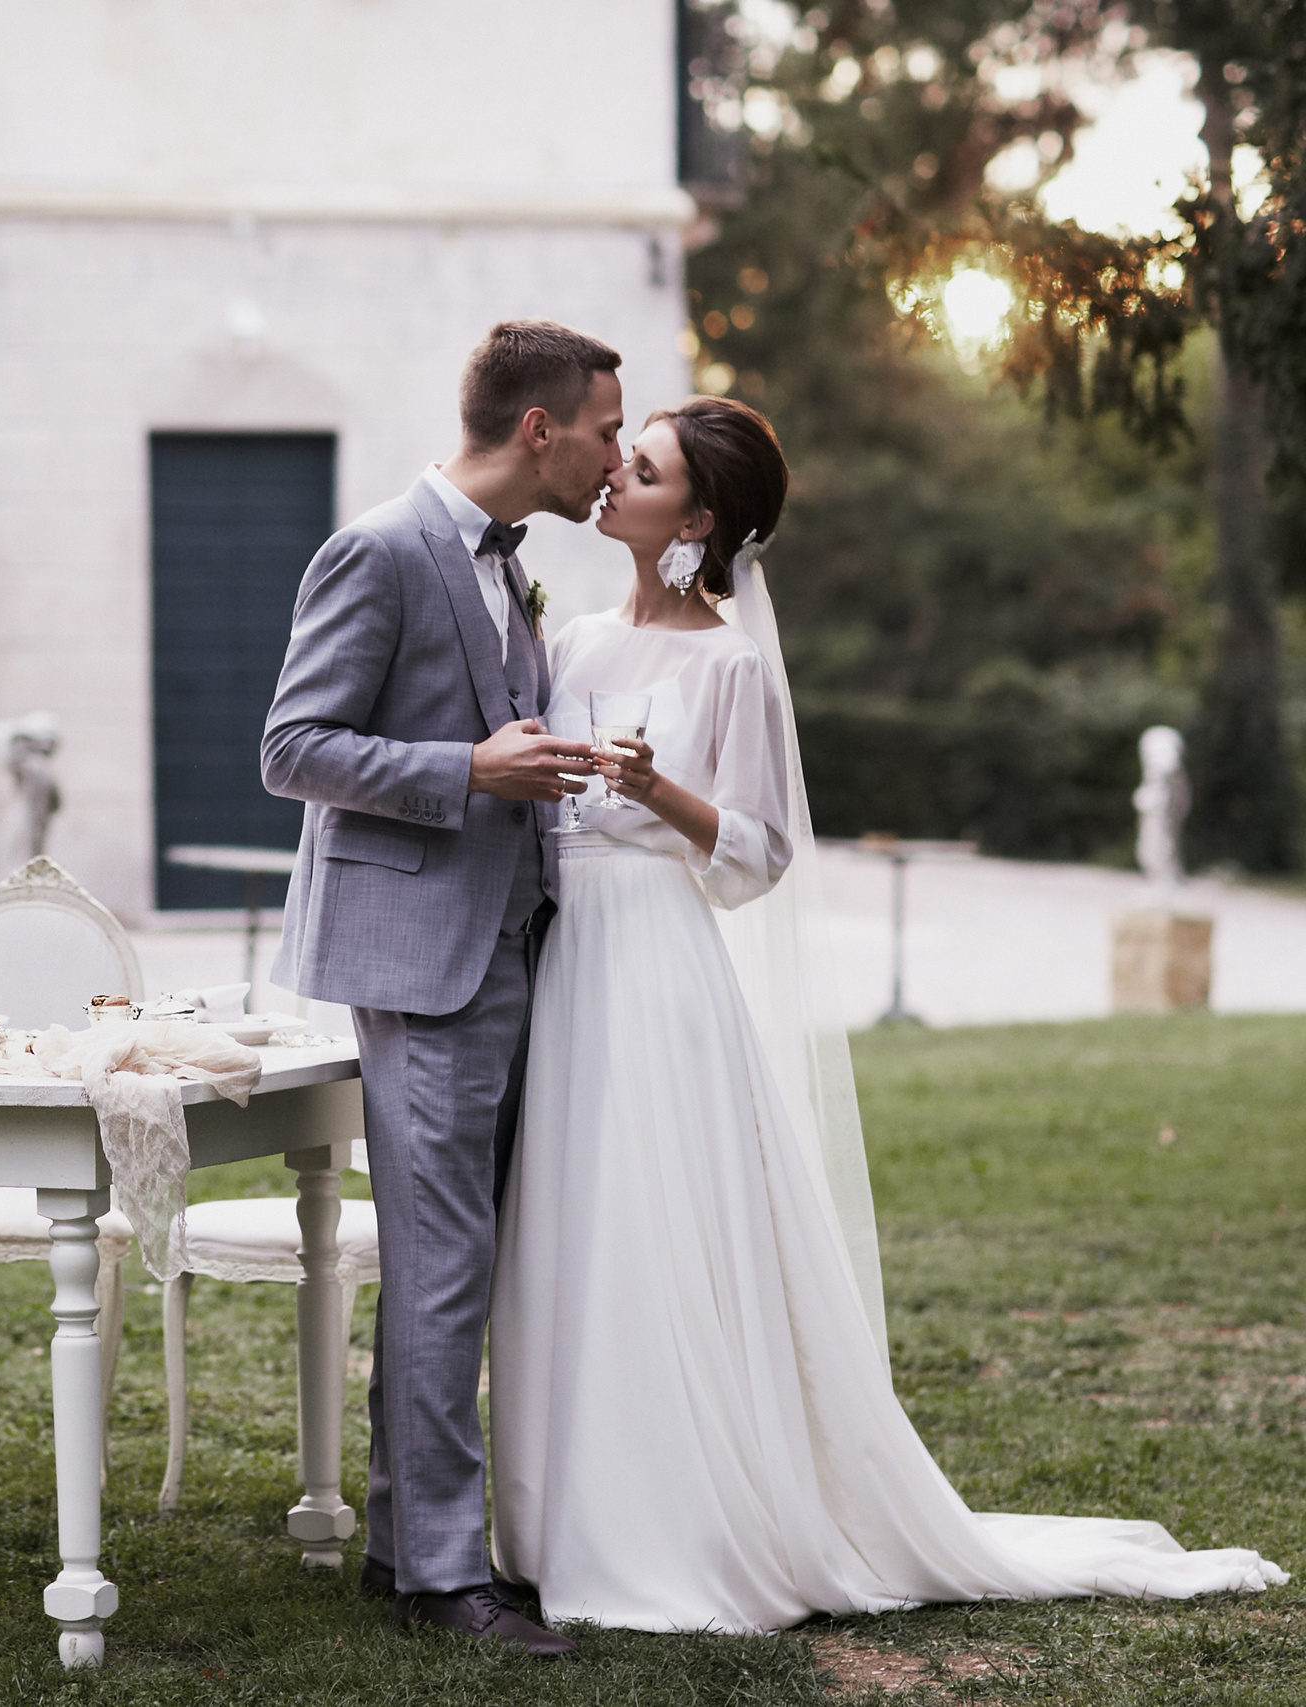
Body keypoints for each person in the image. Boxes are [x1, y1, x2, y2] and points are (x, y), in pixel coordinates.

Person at [488, 394, 1289, 1633]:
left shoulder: (730, 663)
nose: (611, 478)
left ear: (696, 519)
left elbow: (758, 855)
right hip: (567, 960)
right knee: (575, 1222)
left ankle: (673, 1526)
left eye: (637, 469)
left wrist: (667, 792)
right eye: (621, 457)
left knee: (657, 1224)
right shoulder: (576, 640)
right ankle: (559, 1514)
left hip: (656, 962)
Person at [260, 318, 611, 1659]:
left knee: (456, 1260)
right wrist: (465, 771)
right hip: (423, 960)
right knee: (442, 1258)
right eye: (601, 429)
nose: (611, 454)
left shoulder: (508, 570)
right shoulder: (381, 548)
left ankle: (414, 1544)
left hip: (510, 948)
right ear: (539, 428)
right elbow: (293, 746)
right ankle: (440, 1576)